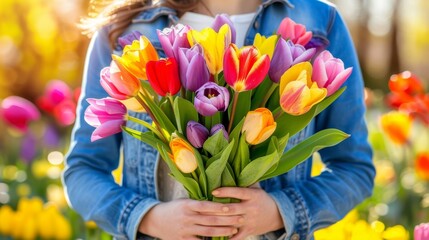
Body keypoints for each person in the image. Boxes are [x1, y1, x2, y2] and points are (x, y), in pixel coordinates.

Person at [63, 0, 375, 239]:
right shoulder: (125, 30)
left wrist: (281, 211)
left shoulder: (320, 22)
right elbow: (83, 170)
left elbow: (354, 169)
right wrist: (149, 218)